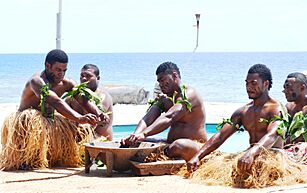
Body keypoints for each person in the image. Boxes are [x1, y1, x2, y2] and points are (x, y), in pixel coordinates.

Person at [0, 49, 105, 170]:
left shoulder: (67, 83)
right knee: (30, 120)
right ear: (47, 66)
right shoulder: (37, 82)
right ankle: (26, 157)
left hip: (51, 120)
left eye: (64, 70)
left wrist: (99, 113)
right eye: (58, 70)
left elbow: (83, 99)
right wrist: (79, 118)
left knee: (79, 129)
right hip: (28, 125)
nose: (61, 74)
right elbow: (55, 101)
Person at [187, 64, 284, 174]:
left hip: (272, 158)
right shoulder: (243, 112)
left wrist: (252, 153)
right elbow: (220, 136)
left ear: (266, 84)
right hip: (249, 156)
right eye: (247, 83)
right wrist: (197, 156)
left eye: (254, 83)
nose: (249, 87)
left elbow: (272, 135)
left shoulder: (276, 109)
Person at [122, 61, 207, 161]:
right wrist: (135, 136)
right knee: (136, 143)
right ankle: (163, 154)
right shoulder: (164, 99)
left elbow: (170, 117)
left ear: (174, 76)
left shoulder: (189, 94)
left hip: (194, 145)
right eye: (159, 82)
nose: (161, 85)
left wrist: (144, 134)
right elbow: (147, 119)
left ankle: (161, 155)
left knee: (179, 145)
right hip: (170, 144)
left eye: (163, 80)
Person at [66, 64, 113, 141]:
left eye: (88, 76)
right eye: (82, 75)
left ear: (97, 78)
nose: (84, 78)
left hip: (100, 142)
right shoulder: (72, 97)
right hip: (78, 139)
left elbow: (96, 122)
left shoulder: (102, 97)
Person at [282, 72, 307, 143]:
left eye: (288, 87)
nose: (284, 91)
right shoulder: (288, 108)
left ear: (302, 88)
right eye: (284, 87)